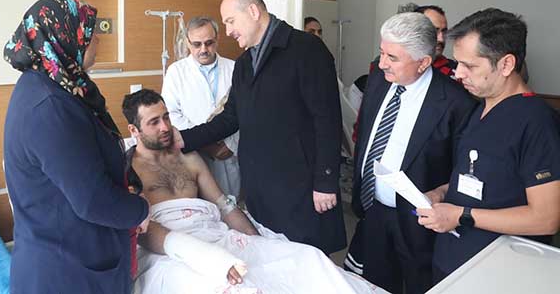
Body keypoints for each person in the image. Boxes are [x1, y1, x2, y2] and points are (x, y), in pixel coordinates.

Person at [122, 89, 388, 294]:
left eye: (166, 117)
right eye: (154, 122)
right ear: (134, 130)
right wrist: (207, 258)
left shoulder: (188, 158)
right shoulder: (128, 169)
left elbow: (224, 206)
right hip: (168, 249)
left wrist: (256, 241)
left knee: (307, 258)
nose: (165, 127)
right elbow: (142, 231)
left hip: (211, 232)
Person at [172, 0, 346, 254]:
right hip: (260, 186)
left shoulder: (305, 49)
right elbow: (230, 117)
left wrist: (325, 181)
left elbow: (327, 119)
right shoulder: (245, 63)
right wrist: (184, 139)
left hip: (298, 184)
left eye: (231, 21)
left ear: (253, 11)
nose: (228, 31)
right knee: (270, 256)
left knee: (304, 258)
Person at [3, 0, 150, 294]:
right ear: (63, 36)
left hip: (69, 255)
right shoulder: (50, 106)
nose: (97, 38)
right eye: (89, 31)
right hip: (65, 271)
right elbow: (93, 200)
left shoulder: (52, 87)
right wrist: (141, 210)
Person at [417, 8, 560, 283]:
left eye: (469, 66)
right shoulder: (478, 109)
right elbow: (482, 177)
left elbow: (546, 218)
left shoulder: (537, 123)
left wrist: (462, 215)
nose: (458, 74)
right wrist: (440, 193)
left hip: (497, 272)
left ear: (506, 65)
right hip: (452, 260)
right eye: (457, 63)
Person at [349, 12, 476, 294]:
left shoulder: (456, 104)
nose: (382, 63)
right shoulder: (379, 80)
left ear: (424, 62)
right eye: (382, 52)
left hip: (419, 225)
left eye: (392, 57)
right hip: (373, 211)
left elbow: (462, 169)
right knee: (374, 285)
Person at [162, 16, 241, 198]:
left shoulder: (235, 69)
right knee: (200, 207)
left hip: (229, 153)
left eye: (209, 43)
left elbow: (245, 112)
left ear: (217, 39)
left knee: (232, 204)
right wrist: (205, 142)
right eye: (197, 44)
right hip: (195, 153)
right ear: (187, 43)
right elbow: (171, 115)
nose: (203, 49)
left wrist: (230, 145)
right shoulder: (176, 72)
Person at [414, 5, 457, 79]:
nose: (441, 39)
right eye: (434, 31)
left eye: (444, 31)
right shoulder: (395, 67)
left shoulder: (457, 73)